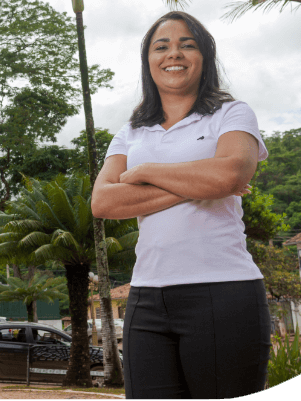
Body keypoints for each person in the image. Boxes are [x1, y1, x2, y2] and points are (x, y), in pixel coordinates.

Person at [93, 11, 271, 400]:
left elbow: (231, 175)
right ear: (149, 61)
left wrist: (145, 171)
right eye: (162, 46)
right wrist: (205, 182)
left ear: (204, 57)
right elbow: (104, 201)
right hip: (146, 298)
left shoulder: (232, 113)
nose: (174, 53)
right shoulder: (130, 131)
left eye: (187, 45)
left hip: (224, 291)